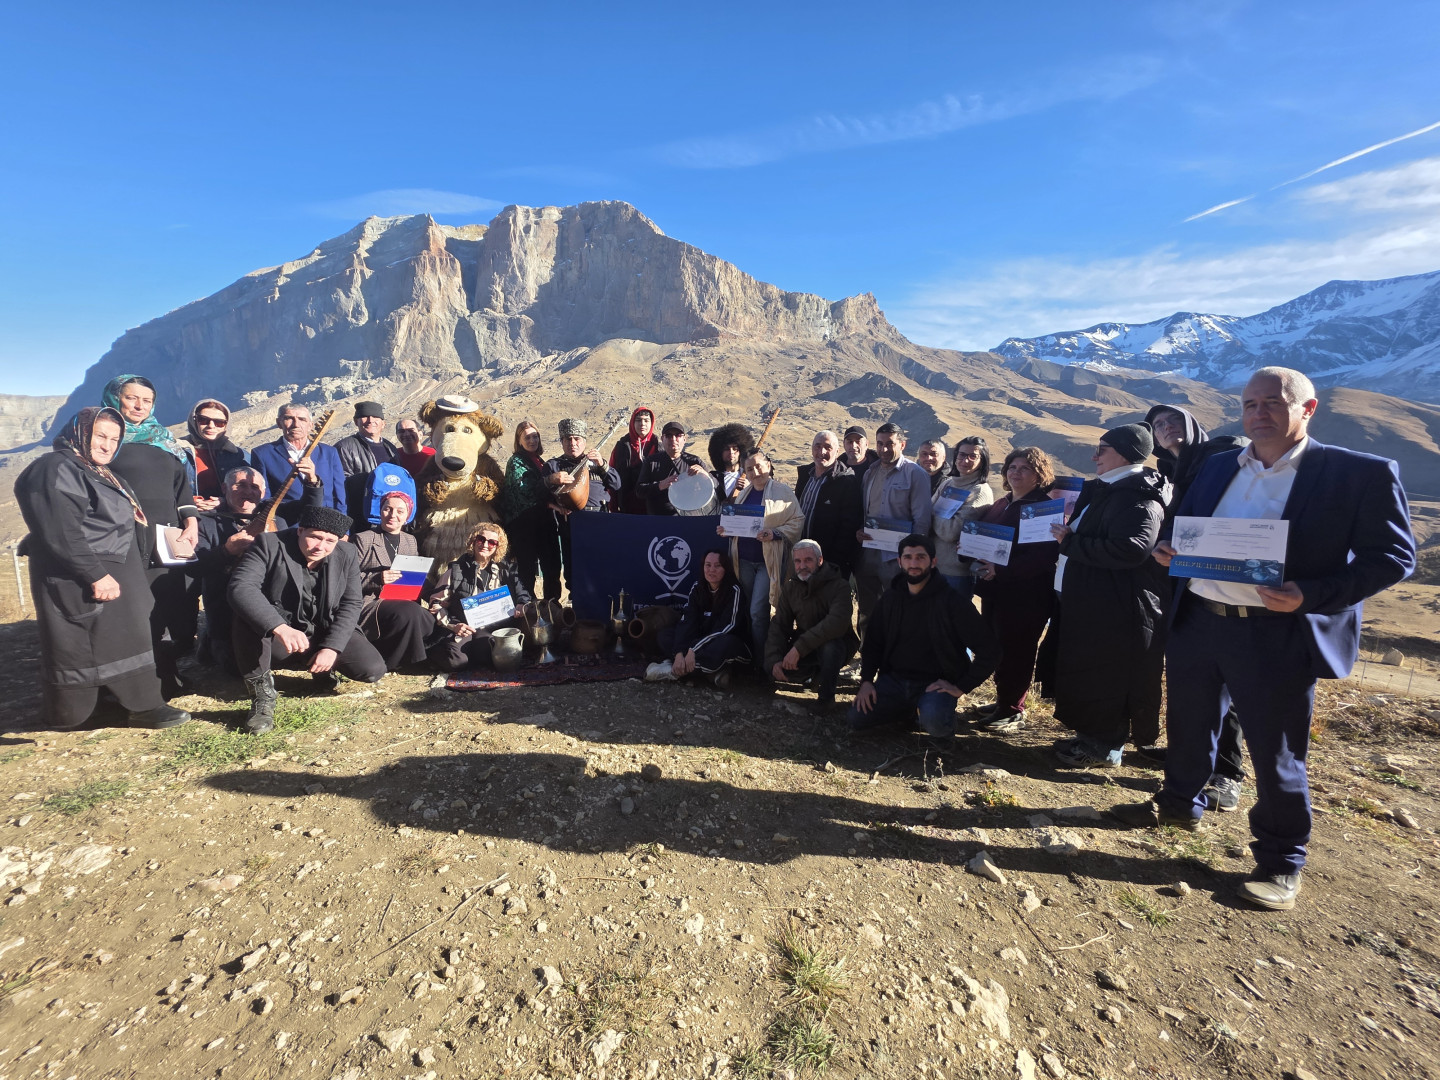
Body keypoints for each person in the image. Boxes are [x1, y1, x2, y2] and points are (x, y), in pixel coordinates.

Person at [1112, 368, 1416, 912]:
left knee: (1276, 751)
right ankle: (1178, 806)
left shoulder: (1358, 473)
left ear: (1308, 408)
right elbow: (1183, 523)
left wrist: (1312, 592)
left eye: (1273, 403)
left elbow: (1393, 558)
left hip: (1277, 632)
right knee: (1189, 724)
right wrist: (1168, 550)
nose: (1259, 413)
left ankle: (1281, 861)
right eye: (1250, 404)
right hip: (1199, 619)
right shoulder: (1217, 465)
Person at [12, 408, 189, 731]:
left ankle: (122, 703)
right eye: (100, 436)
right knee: (86, 641)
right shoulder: (56, 468)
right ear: (80, 434)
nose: (108, 445)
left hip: (116, 569)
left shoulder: (97, 471)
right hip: (83, 574)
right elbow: (60, 528)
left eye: (114, 439)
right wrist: (94, 573)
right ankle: (91, 712)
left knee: (125, 639)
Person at [1048, 424, 1170, 767]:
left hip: (1116, 608)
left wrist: (1070, 542)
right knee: (1092, 671)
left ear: (1126, 453)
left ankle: (1104, 746)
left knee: (1109, 675)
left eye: (1102, 449)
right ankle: (1092, 736)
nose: (1094, 456)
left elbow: (1133, 549)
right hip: (1094, 602)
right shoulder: (1111, 490)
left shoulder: (1138, 496)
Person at [1146, 403, 1249, 800]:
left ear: (1193, 424)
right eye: (1158, 425)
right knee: (1193, 681)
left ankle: (1228, 773)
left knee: (1229, 682)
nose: (1167, 428)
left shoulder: (1222, 455)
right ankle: (1189, 758)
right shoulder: (1171, 471)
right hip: (1185, 585)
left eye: (1174, 420)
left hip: (1229, 586)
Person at [228, 505, 385, 733]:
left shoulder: (347, 553)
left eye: (330, 541)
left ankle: (320, 666)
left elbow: (351, 603)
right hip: (281, 634)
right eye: (315, 537)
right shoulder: (268, 544)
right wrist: (279, 627)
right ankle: (262, 698)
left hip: (323, 627)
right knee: (248, 616)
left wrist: (332, 647)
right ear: (300, 530)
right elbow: (241, 587)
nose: (321, 547)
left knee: (371, 669)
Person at [101, 374, 201, 699]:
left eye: (147, 400)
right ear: (116, 399)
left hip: (167, 534)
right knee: (134, 607)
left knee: (168, 602)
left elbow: (181, 488)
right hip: (125, 536)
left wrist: (191, 523)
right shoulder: (104, 440)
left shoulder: (164, 440)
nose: (139, 406)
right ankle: (133, 682)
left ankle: (168, 673)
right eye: (132, 398)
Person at [849, 534, 999, 742]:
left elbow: (990, 651)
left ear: (933, 561)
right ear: (899, 561)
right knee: (856, 718)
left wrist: (960, 687)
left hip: (936, 685)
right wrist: (866, 681)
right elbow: (873, 643)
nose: (914, 563)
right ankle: (906, 711)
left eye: (920, 557)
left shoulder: (953, 602)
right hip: (895, 681)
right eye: (908, 557)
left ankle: (942, 719)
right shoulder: (890, 598)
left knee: (935, 723)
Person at [972, 447, 1060, 732]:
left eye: (1025, 468)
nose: (1016, 473)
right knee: (998, 647)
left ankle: (1012, 710)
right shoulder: (1003, 502)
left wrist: (1002, 569)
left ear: (1039, 474)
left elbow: (1044, 556)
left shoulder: (1041, 507)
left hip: (1026, 595)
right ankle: (1003, 700)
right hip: (997, 591)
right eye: (1012, 467)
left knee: (1017, 651)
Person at [718, 449, 804, 667]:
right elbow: (738, 524)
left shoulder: (783, 492)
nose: (755, 471)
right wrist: (726, 530)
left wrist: (775, 533)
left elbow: (798, 521)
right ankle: (750, 656)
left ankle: (763, 663)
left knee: (758, 609)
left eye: (758, 466)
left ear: (768, 464)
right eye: (749, 468)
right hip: (744, 561)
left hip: (767, 562)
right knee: (748, 608)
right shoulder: (745, 494)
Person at [190, 466, 277, 673]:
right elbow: (195, 567)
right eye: (241, 485)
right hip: (225, 612)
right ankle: (210, 638)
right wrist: (226, 551)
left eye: (254, 487)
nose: (248, 492)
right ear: (225, 488)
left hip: (269, 607)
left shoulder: (276, 522)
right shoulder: (204, 522)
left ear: (263, 493)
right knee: (235, 670)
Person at [350, 491, 443, 671]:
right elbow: (346, 579)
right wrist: (376, 579)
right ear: (380, 511)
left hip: (404, 600)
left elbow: (416, 577)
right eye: (387, 509)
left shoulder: (410, 541)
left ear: (407, 516)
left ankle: (397, 656)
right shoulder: (363, 539)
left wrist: (436, 597)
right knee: (410, 612)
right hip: (372, 602)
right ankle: (408, 663)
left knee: (431, 618)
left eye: (400, 511)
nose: (393, 515)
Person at [765, 540, 858, 713]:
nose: (802, 566)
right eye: (798, 561)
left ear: (820, 561)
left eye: (808, 560)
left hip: (838, 643)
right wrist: (774, 660)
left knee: (830, 648)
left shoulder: (840, 586)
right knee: (774, 669)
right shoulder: (791, 587)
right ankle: (814, 674)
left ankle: (826, 699)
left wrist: (798, 649)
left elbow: (836, 624)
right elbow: (780, 624)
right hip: (806, 645)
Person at [854, 423, 932, 625]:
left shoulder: (915, 474)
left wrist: (910, 559)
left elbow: (921, 522)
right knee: (867, 611)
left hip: (897, 559)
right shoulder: (870, 472)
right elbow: (866, 512)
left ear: (902, 444)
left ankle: (895, 655)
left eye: (890, 444)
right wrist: (860, 532)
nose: (884, 449)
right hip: (868, 554)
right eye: (880, 444)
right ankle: (869, 653)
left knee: (899, 612)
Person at [428, 522, 533, 671]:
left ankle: (474, 652)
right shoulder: (456, 569)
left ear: (497, 547)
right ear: (473, 541)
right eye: (481, 539)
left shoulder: (505, 569)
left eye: (492, 542)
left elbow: (523, 594)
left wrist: (522, 604)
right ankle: (432, 652)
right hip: (462, 626)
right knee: (457, 662)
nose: (485, 545)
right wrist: (453, 625)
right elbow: (436, 603)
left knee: (486, 656)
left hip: (491, 626)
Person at [654, 549, 751, 689]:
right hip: (701, 642)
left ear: (725, 568)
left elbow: (727, 627)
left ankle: (675, 670)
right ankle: (708, 673)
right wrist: (680, 653)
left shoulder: (734, 590)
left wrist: (693, 649)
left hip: (727, 643)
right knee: (665, 635)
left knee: (724, 644)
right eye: (708, 565)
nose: (712, 570)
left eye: (717, 566)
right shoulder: (697, 588)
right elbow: (688, 620)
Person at [545, 419, 621, 595]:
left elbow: (616, 484)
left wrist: (602, 464)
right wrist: (551, 481)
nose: (573, 443)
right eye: (568, 439)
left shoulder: (596, 463)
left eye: (577, 439)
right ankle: (579, 612)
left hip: (600, 523)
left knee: (602, 568)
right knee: (575, 571)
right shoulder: (553, 466)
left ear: (584, 442)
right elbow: (540, 495)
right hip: (571, 525)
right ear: (562, 442)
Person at [499, 420, 563, 601]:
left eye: (535, 436)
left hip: (544, 523)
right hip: (524, 526)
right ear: (519, 440)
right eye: (527, 437)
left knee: (552, 567)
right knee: (526, 569)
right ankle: (527, 610)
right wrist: (552, 504)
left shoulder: (539, 461)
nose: (532, 440)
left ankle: (552, 607)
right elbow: (523, 492)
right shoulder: (516, 461)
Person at [251, 403, 345, 524]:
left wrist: (343, 530)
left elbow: (340, 496)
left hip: (324, 525)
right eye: (288, 418)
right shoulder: (262, 454)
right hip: (287, 526)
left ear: (310, 425)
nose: (296, 424)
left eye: (302, 419)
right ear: (279, 423)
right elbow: (263, 497)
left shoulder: (329, 452)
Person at [930, 437, 994, 598]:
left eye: (973, 456)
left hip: (956, 573)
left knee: (951, 622)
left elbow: (950, 532)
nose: (965, 460)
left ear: (983, 460)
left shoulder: (979, 491)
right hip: (933, 566)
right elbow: (927, 514)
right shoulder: (949, 483)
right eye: (961, 455)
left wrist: (934, 514)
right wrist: (936, 515)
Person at [794, 430, 861, 580]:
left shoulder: (846, 482)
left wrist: (833, 563)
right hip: (801, 559)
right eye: (817, 446)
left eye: (828, 447)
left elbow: (848, 527)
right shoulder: (805, 476)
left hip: (829, 564)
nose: (821, 452)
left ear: (837, 451)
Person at [336, 401, 398, 529]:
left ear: (383, 423)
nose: (370, 420)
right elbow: (340, 483)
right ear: (356, 421)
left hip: (389, 516)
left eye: (375, 417)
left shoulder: (391, 448)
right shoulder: (344, 447)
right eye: (364, 416)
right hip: (359, 517)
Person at [182, 398, 250, 512]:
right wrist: (188, 502)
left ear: (226, 426)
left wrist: (226, 500)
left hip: (229, 517)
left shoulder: (238, 455)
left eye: (219, 422)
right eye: (203, 420)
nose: (211, 426)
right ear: (194, 421)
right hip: (187, 516)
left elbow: (251, 491)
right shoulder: (177, 451)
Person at [635, 421, 712, 516]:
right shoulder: (651, 462)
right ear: (662, 439)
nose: (673, 439)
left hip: (689, 520)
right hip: (658, 521)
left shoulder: (694, 461)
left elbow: (715, 488)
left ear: (684, 439)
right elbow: (639, 491)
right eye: (669, 435)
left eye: (678, 435)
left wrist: (705, 476)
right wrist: (660, 485)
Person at [609, 406, 658, 514]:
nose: (642, 424)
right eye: (638, 420)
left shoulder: (659, 446)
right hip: (626, 508)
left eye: (646, 420)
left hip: (654, 508)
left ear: (651, 423)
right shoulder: (621, 447)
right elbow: (612, 476)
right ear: (632, 422)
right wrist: (612, 507)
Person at [708, 423, 756, 504]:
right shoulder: (712, 479)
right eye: (726, 449)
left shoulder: (751, 475)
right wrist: (735, 489)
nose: (731, 452)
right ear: (719, 452)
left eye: (735, 449)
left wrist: (750, 488)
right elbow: (714, 506)